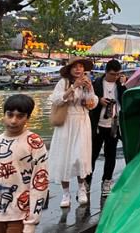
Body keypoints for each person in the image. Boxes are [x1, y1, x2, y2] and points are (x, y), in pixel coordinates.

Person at [48, 57, 98, 208]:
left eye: (81, 66)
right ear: (69, 69)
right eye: (75, 66)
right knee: (65, 157)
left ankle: (82, 188)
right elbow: (56, 100)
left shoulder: (87, 83)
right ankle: (66, 193)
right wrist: (73, 87)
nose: (78, 69)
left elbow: (92, 103)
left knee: (80, 157)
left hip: (82, 121)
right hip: (66, 121)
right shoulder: (63, 83)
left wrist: (89, 90)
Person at [0, 94, 48, 233]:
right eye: (10, 115)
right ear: (3, 115)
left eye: (20, 116)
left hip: (20, 214)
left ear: (27, 118)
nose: (14, 121)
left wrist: (32, 221)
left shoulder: (34, 142)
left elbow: (40, 182)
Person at [86, 60, 126, 197]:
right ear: (106, 72)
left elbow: (125, 101)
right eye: (113, 74)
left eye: (118, 74)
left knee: (111, 155)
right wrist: (99, 100)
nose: (115, 77)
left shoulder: (120, 85)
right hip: (97, 124)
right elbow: (88, 100)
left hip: (113, 125)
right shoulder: (96, 83)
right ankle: (87, 182)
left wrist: (123, 85)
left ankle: (107, 181)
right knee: (92, 155)